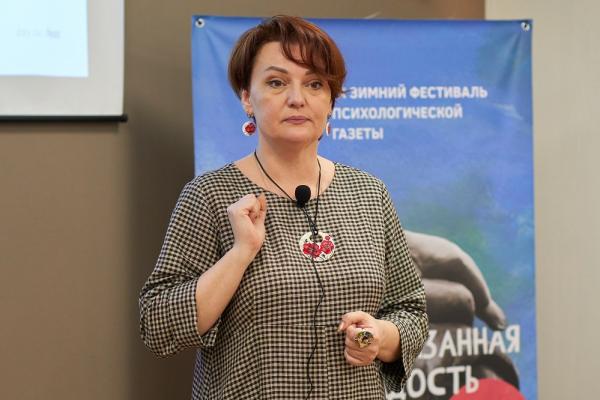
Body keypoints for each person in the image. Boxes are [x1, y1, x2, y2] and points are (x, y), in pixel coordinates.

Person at [139, 15, 428, 399]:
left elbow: (411, 310)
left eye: (315, 84)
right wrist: (240, 254)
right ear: (247, 98)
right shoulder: (210, 195)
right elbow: (158, 325)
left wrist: (379, 337)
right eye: (276, 82)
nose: (297, 98)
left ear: (331, 102)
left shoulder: (368, 193)